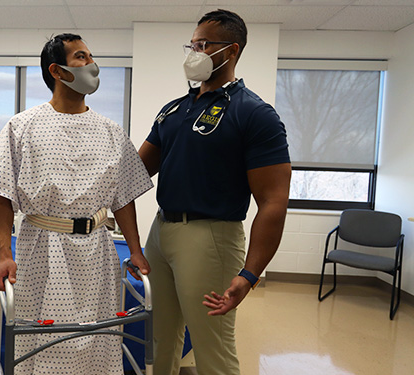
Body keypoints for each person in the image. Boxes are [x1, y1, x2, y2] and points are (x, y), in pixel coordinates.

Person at [0, 33, 153, 375]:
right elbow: (1, 195)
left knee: (99, 333)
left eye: (91, 56)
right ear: (58, 71)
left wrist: (135, 249)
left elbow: (123, 197)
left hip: (97, 250)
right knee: (43, 335)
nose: (92, 64)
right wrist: (3, 255)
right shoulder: (22, 126)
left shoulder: (111, 131)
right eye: (81, 57)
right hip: (43, 247)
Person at [137, 9, 291, 375]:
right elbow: (133, 172)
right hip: (161, 232)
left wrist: (251, 274)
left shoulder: (253, 113)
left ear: (232, 50)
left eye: (204, 45)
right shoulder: (173, 110)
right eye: (192, 45)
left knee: (212, 345)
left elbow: (273, 200)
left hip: (210, 237)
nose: (195, 52)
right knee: (160, 337)